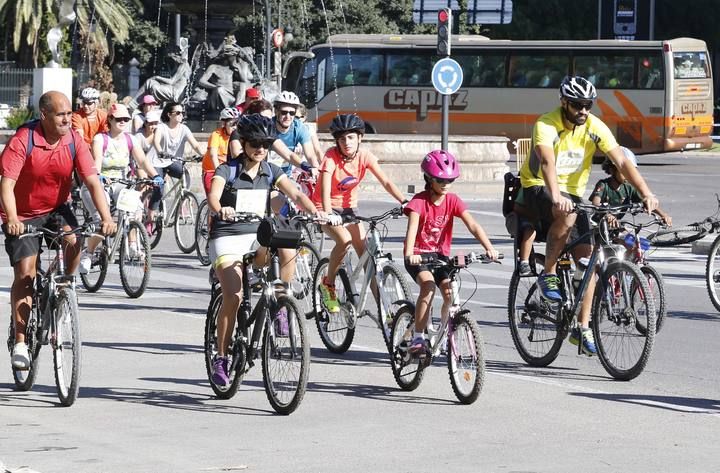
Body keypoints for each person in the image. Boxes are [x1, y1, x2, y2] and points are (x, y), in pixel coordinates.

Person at [518, 75, 660, 355]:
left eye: (588, 105)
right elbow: (546, 161)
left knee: (589, 261)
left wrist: (646, 192)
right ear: (564, 103)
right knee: (567, 216)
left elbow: (621, 160)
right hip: (537, 187)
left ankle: (581, 328)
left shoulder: (595, 126)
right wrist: (556, 196)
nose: (583, 110)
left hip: (572, 194)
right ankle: (548, 273)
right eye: (577, 105)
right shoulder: (546, 124)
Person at [206, 113, 330, 386]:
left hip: (257, 235)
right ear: (244, 143)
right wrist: (220, 209)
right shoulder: (228, 170)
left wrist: (316, 212)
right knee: (235, 295)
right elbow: (213, 195)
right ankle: (221, 356)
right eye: (255, 143)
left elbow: (296, 194)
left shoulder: (271, 170)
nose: (260, 149)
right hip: (227, 236)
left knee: (288, 247)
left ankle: (279, 304)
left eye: (265, 144)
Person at [1, 91, 116, 369]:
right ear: (45, 115)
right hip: (24, 213)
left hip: (55, 207)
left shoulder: (74, 140)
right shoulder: (23, 140)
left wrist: (106, 217)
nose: (67, 119)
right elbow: (6, 185)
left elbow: (91, 181)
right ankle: (19, 341)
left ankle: (62, 285)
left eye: (68, 114)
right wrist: (13, 219)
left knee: (75, 240)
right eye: (61, 114)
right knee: (26, 275)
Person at [404, 150, 499, 355]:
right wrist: (410, 252)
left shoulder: (453, 200)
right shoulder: (419, 202)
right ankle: (418, 338)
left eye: (450, 180)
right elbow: (412, 229)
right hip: (418, 256)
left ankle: (448, 333)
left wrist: (489, 248)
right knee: (428, 287)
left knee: (450, 294)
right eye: (440, 180)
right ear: (429, 179)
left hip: (439, 257)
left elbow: (473, 225)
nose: (446, 184)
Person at [313, 113, 407, 313]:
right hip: (324, 206)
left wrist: (405, 202)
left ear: (359, 138)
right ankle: (328, 283)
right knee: (344, 240)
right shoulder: (331, 156)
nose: (346, 142)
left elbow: (386, 182)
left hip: (349, 209)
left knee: (368, 258)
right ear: (337, 141)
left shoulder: (365, 156)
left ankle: (385, 311)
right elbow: (324, 187)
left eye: (351, 137)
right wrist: (328, 214)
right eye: (342, 138)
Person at [79, 103, 163, 273]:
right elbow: (96, 163)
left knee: (134, 208)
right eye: (119, 119)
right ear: (110, 119)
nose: (123, 121)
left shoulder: (131, 139)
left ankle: (132, 244)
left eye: (126, 119)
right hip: (98, 184)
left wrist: (155, 176)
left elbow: (142, 161)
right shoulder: (100, 139)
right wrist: (99, 176)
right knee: (102, 221)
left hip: (120, 183)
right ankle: (88, 253)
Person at [148, 102, 206, 220]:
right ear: (169, 115)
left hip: (172, 161)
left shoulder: (184, 129)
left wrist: (204, 155)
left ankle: (181, 202)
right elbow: (156, 141)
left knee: (185, 176)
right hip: (157, 162)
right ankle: (151, 213)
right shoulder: (162, 127)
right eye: (178, 113)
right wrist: (160, 151)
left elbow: (195, 144)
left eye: (183, 113)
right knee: (159, 187)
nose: (181, 115)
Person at [590, 147, 672, 229]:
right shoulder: (603, 185)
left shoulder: (629, 188)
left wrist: (663, 215)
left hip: (614, 226)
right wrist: (607, 214)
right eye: (625, 172)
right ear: (612, 170)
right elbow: (595, 203)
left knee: (629, 240)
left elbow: (646, 202)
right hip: (596, 225)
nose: (629, 176)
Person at [201, 107, 238, 196]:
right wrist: (220, 173)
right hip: (212, 170)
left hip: (228, 170)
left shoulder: (239, 136)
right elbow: (213, 155)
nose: (235, 127)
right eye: (232, 124)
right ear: (224, 124)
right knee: (214, 196)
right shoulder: (216, 135)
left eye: (237, 123)